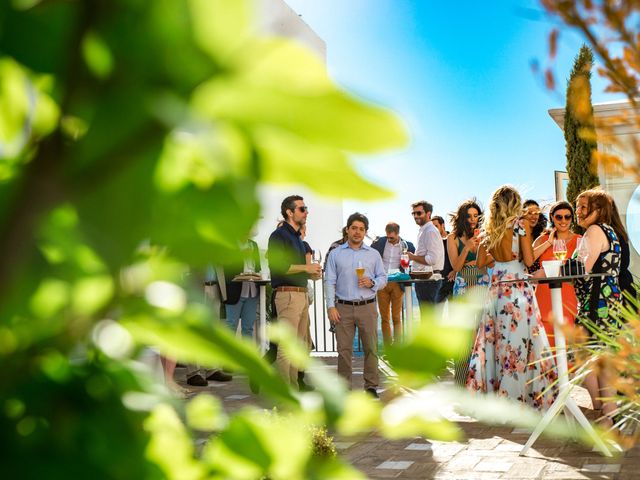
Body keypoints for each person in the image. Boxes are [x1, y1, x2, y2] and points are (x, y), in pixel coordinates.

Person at [467, 185, 557, 410]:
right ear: (515, 203)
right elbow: (528, 260)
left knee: (497, 344)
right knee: (520, 343)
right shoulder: (521, 225)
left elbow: (479, 265)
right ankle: (517, 401)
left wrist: (497, 259)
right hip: (517, 289)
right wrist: (545, 243)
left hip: (497, 288)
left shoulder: (490, 230)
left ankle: (500, 397)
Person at [573, 189, 623, 425]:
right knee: (603, 357)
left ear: (599, 210)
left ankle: (601, 412)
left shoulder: (594, 231)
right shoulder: (611, 232)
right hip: (609, 298)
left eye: (584, 207)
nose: (578, 212)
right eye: (578, 206)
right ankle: (609, 415)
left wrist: (559, 270)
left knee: (585, 356)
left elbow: (583, 269)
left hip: (597, 301)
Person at [325, 212, 387, 397]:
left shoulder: (374, 254)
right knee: (343, 351)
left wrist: (372, 283)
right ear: (348, 230)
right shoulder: (335, 254)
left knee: (371, 348)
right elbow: (329, 281)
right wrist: (330, 306)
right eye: (354, 228)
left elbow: (383, 278)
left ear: (365, 232)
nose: (357, 232)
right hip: (342, 307)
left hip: (367, 306)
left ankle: (371, 387)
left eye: (361, 229)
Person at [268, 195, 322, 387]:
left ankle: (294, 390)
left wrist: (312, 274)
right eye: (302, 208)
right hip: (288, 295)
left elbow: (297, 269)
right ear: (289, 212)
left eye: (306, 208)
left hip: (300, 295)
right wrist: (306, 268)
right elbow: (278, 267)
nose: (306, 212)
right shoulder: (279, 236)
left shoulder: (296, 238)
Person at [446, 199, 490, 385]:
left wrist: (479, 257)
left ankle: (481, 382)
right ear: (462, 217)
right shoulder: (452, 238)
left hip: (482, 282)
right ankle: (463, 382)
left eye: (476, 216)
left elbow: (491, 261)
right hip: (463, 283)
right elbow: (455, 266)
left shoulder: (485, 235)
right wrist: (468, 249)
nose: (473, 220)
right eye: (469, 216)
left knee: (482, 331)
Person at [532, 201, 581, 349]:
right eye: (559, 217)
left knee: (566, 344)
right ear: (552, 217)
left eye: (567, 217)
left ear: (572, 218)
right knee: (545, 345)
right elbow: (529, 259)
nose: (563, 221)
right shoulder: (542, 239)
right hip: (543, 296)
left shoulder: (579, 240)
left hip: (567, 295)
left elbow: (581, 268)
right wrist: (548, 242)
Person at [371, 222, 415, 346]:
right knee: (384, 318)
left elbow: (414, 261)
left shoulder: (407, 245)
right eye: (387, 236)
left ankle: (397, 347)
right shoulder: (380, 242)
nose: (389, 239)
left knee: (396, 317)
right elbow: (368, 253)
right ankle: (388, 348)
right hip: (382, 282)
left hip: (397, 283)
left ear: (398, 234)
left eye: (392, 237)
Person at [407, 200, 445, 304]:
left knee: (428, 318)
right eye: (413, 213)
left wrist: (412, 257)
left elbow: (432, 259)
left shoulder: (430, 231)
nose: (415, 216)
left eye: (419, 213)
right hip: (425, 280)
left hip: (429, 281)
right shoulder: (424, 230)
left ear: (428, 214)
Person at [222, 237, 261, 338]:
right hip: (234, 291)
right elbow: (225, 267)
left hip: (252, 291)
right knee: (231, 326)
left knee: (248, 328)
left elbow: (258, 268)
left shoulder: (254, 245)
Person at [432, 215, 454, 302]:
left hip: (452, 280)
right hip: (438, 282)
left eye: (436, 226)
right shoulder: (433, 243)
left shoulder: (453, 239)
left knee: (454, 313)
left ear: (443, 225)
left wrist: (455, 271)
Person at [523, 200, 548, 274]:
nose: (533, 217)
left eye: (536, 213)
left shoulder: (542, 236)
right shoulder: (518, 235)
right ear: (523, 214)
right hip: (522, 277)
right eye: (529, 213)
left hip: (540, 279)